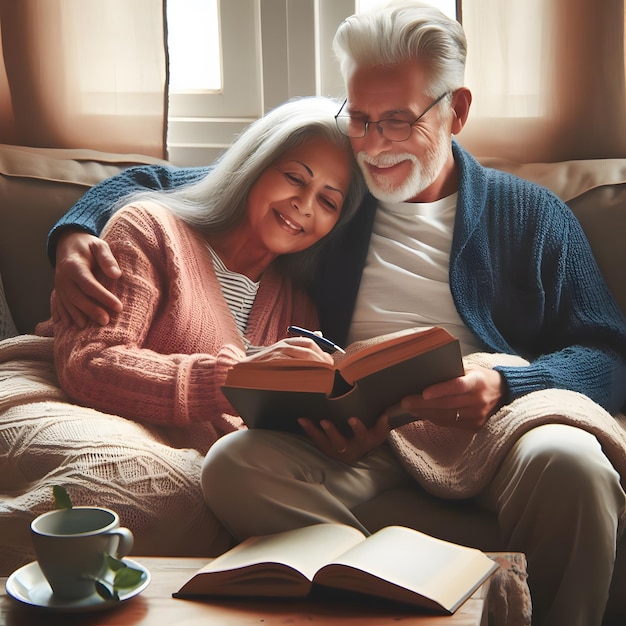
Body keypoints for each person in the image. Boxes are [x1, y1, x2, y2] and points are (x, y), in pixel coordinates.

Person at [47, 3, 626, 625]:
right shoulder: (337, 200)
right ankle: (412, 593)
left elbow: (608, 352)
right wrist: (75, 231)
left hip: (498, 423)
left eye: (399, 121)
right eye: (362, 119)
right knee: (234, 467)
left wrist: (508, 383)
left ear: (456, 110)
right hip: (369, 440)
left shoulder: (532, 216)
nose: (375, 147)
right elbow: (170, 184)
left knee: (575, 466)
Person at [37, 95, 366, 443]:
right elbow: (89, 366)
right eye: (294, 177)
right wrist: (235, 381)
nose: (305, 204)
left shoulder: (298, 308)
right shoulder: (149, 230)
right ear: (254, 166)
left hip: (207, 457)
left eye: (328, 201)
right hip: (77, 414)